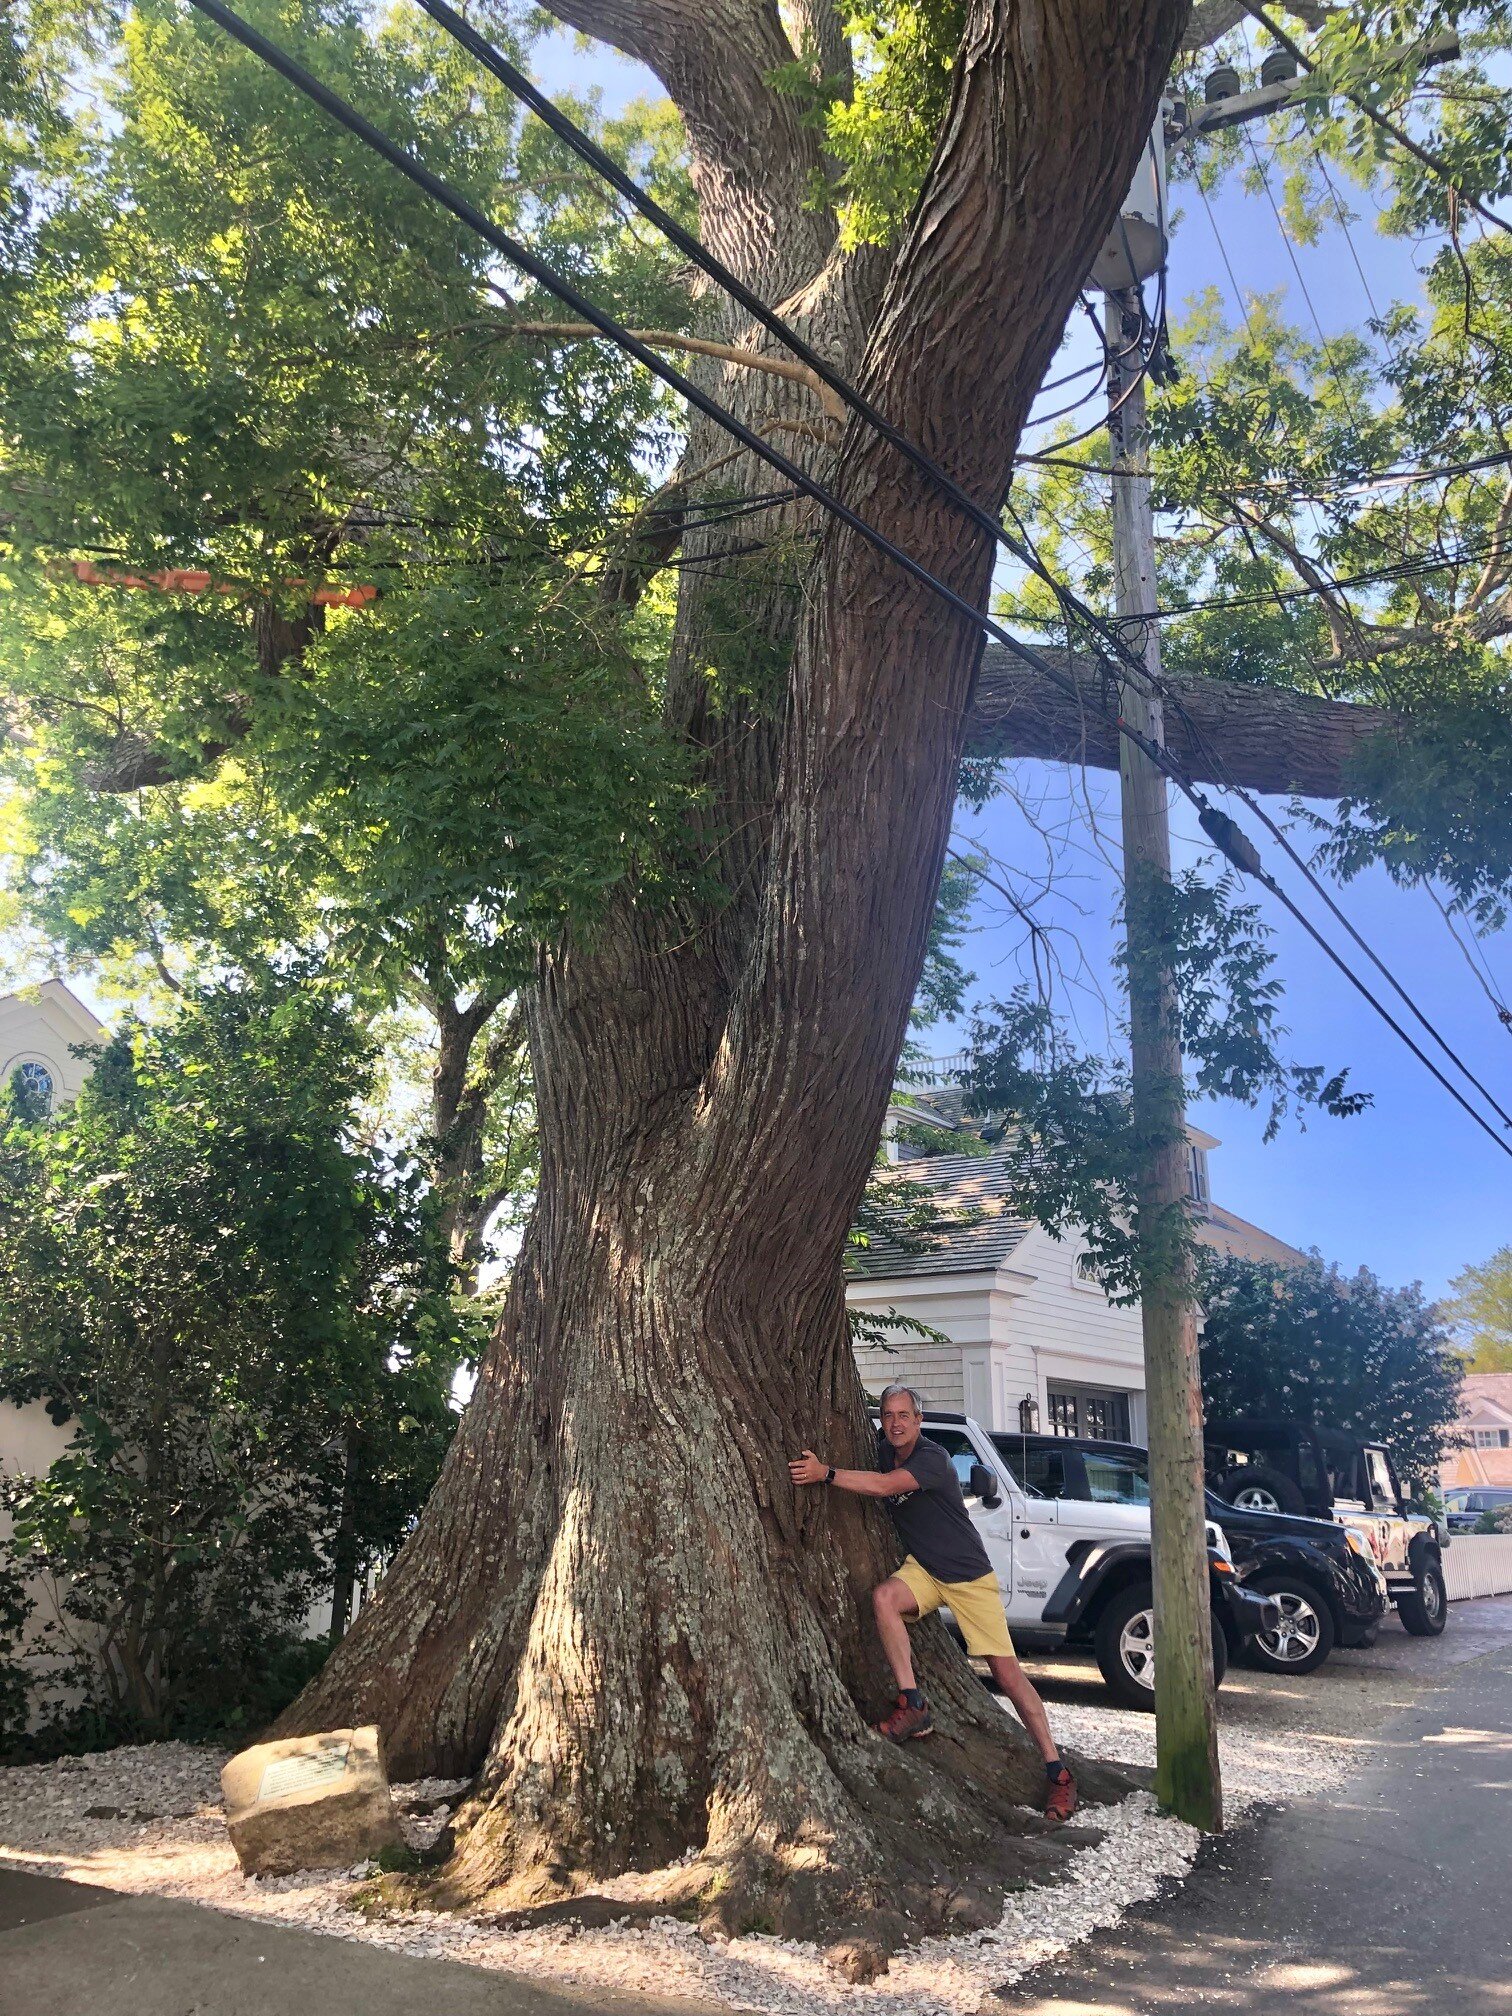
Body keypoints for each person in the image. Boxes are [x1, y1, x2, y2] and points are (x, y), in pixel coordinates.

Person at [789, 1381, 1077, 1822]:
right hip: (924, 1569)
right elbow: (878, 1475)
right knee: (884, 1598)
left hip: (968, 1577)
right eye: (888, 1416)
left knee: (1007, 1674)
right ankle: (914, 1704)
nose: (896, 1423)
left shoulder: (934, 1459)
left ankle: (1057, 1772)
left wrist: (825, 1474)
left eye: (905, 1415)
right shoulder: (884, 1450)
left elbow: (886, 1487)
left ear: (919, 1421)